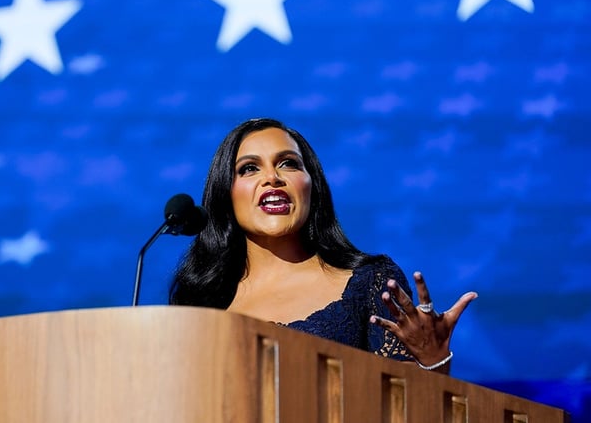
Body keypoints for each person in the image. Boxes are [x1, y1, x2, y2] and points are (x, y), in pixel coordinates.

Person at [169, 117, 477, 373]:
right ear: (225, 194)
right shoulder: (198, 302)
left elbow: (408, 406)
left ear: (312, 187)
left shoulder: (371, 283)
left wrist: (432, 361)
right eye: (249, 168)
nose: (272, 177)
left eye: (288, 163)